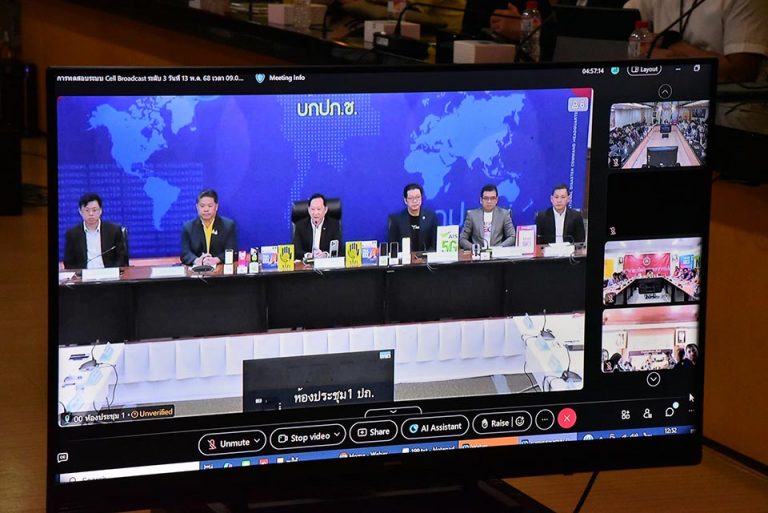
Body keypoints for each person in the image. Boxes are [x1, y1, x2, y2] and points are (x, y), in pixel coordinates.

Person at [623, 0, 768, 83]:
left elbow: (740, 72)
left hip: (728, 114)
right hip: (669, 96)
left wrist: (670, 43)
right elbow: (619, 36)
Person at [64, 192, 128, 270]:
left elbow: (121, 259)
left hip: (109, 274)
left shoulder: (114, 231)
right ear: (80, 211)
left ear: (100, 211)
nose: (91, 214)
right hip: (84, 275)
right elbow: (69, 263)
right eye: (87, 210)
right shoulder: (72, 234)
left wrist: (111, 273)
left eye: (94, 210)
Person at [181, 189, 238, 267]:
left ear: (216, 207)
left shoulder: (228, 226)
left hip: (220, 270)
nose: (206, 209)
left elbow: (232, 251)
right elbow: (185, 253)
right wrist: (196, 260)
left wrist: (216, 259)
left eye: (210, 206)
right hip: (197, 270)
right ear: (197, 207)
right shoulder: (188, 227)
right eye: (202, 206)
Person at [459, 184, 515, 250]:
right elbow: (462, 239)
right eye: (486, 198)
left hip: (497, 253)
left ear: (496, 200)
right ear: (481, 200)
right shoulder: (472, 215)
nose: (489, 201)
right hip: (478, 253)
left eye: (492, 198)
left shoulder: (504, 214)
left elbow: (512, 236)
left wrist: (499, 248)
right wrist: (474, 248)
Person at [388, 183, 438, 252]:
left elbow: (435, 244)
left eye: (418, 197)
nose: (415, 201)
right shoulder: (396, 220)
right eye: (411, 198)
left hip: (426, 257)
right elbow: (393, 247)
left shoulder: (431, 217)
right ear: (405, 200)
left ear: (422, 198)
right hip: (404, 257)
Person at [292, 193, 343, 258]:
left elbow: (339, 248)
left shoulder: (333, 225)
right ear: (308, 210)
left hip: (326, 262)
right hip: (307, 263)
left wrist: (325, 254)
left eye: (319, 209)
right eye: (312, 209)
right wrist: (309, 255)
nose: (315, 213)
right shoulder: (300, 226)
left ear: (325, 210)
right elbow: (296, 250)